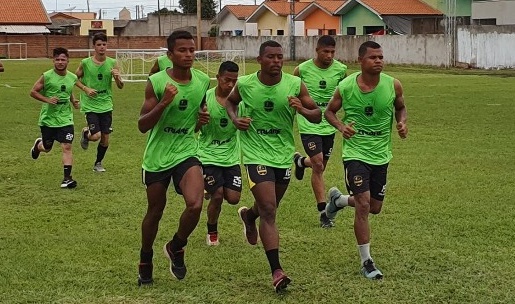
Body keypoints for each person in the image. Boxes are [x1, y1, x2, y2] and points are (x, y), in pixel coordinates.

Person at [226, 40, 321, 292]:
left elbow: (317, 114)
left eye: (280, 57)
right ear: (260, 59)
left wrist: (302, 109)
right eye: (271, 57)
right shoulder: (245, 84)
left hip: (282, 155)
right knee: (270, 210)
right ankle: (277, 271)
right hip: (255, 154)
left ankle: (248, 215)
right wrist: (235, 120)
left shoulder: (294, 84)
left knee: (268, 206)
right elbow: (229, 102)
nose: (276, 61)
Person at [324, 41, 408, 280]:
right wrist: (341, 127)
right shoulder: (346, 86)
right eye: (373, 57)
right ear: (361, 60)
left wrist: (402, 123)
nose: (379, 61)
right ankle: (367, 262)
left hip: (381, 154)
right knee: (363, 205)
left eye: (381, 57)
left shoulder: (393, 85)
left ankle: (338, 201)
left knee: (374, 207)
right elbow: (329, 112)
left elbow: (401, 108)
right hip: (355, 154)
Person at [137, 30, 210, 286]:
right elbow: (142, 126)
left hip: (186, 151)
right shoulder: (156, 82)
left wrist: (202, 121)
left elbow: (198, 115)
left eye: (191, 50)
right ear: (170, 54)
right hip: (157, 155)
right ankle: (145, 258)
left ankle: (176, 245)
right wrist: (163, 103)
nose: (188, 55)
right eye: (182, 50)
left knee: (195, 204)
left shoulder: (202, 81)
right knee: (155, 211)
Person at [291, 35, 348, 228]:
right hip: (308, 123)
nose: (330, 55)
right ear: (317, 50)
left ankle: (300, 161)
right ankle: (323, 212)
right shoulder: (302, 69)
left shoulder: (341, 70)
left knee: (320, 164)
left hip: (328, 124)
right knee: (318, 166)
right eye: (326, 51)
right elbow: (292, 92)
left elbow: (345, 94)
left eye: (333, 52)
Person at [197, 61, 241, 246]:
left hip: (231, 156)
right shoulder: (204, 98)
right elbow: (193, 127)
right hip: (208, 155)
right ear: (217, 78)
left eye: (234, 81)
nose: (230, 85)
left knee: (233, 199)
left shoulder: (240, 100)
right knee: (218, 196)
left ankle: (208, 187)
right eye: (226, 80)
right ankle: (212, 230)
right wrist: (200, 120)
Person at [29, 47, 79, 188]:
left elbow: (67, 90)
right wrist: (47, 99)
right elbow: (33, 92)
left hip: (65, 118)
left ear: (68, 61)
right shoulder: (47, 76)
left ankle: (67, 179)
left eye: (63, 59)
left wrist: (73, 100)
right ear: (53, 61)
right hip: (48, 119)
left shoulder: (72, 77)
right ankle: (38, 146)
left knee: (67, 146)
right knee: (47, 147)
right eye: (57, 59)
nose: (60, 62)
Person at [75, 32, 124, 172]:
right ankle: (86, 133)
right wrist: (86, 88)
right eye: (99, 45)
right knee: (95, 136)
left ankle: (98, 163)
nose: (102, 47)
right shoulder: (85, 63)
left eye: (104, 44)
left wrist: (118, 78)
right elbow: (73, 78)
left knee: (105, 139)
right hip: (90, 104)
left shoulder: (112, 63)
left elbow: (121, 87)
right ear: (94, 46)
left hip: (106, 104)